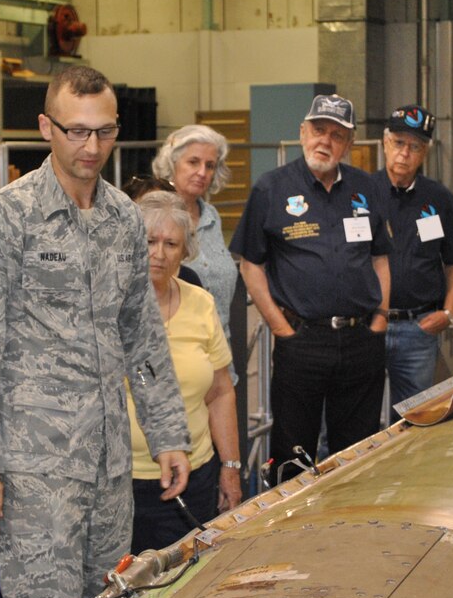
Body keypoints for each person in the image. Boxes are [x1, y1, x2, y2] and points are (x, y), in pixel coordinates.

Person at [0, 65, 191, 598]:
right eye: (76, 131)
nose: (91, 146)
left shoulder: (124, 219)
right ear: (45, 128)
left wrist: (167, 432)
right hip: (37, 470)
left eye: (104, 132)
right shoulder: (3, 220)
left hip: (109, 464)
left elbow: (142, 333)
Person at [229, 93, 392, 471]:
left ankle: (350, 526)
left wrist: (380, 319)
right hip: (302, 342)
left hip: (360, 340)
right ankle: (288, 529)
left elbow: (381, 257)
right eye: (319, 130)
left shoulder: (366, 188)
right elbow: (251, 265)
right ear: (303, 133)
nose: (326, 141)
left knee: (358, 454)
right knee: (293, 452)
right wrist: (280, 328)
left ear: (349, 145)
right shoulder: (271, 189)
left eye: (337, 135)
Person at [129, 191, 240, 553]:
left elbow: (221, 392)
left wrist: (231, 467)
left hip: (191, 477)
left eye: (171, 243)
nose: (158, 253)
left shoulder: (201, 303)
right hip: (118, 485)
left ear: (185, 251)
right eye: (148, 241)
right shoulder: (104, 308)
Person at [376, 105, 453, 415]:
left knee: (415, 418)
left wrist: (449, 311)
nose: (404, 153)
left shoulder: (439, 199)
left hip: (418, 329)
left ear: (425, 152)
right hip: (370, 329)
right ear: (385, 142)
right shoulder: (360, 194)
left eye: (414, 146)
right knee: (357, 415)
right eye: (399, 143)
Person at [151, 125, 239, 338]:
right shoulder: (151, 216)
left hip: (219, 348)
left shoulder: (211, 216)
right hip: (175, 353)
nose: (202, 173)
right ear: (173, 163)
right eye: (193, 162)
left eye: (210, 166)